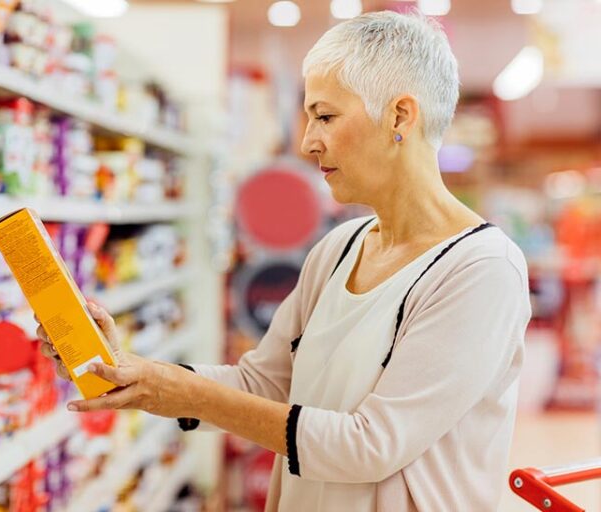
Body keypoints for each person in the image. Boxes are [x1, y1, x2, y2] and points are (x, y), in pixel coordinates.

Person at [37, 11, 531, 511]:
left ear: (400, 116)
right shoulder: (339, 249)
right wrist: (135, 373)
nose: (307, 142)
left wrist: (182, 392)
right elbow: (264, 384)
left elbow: (372, 444)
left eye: (325, 116)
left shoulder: (480, 270)